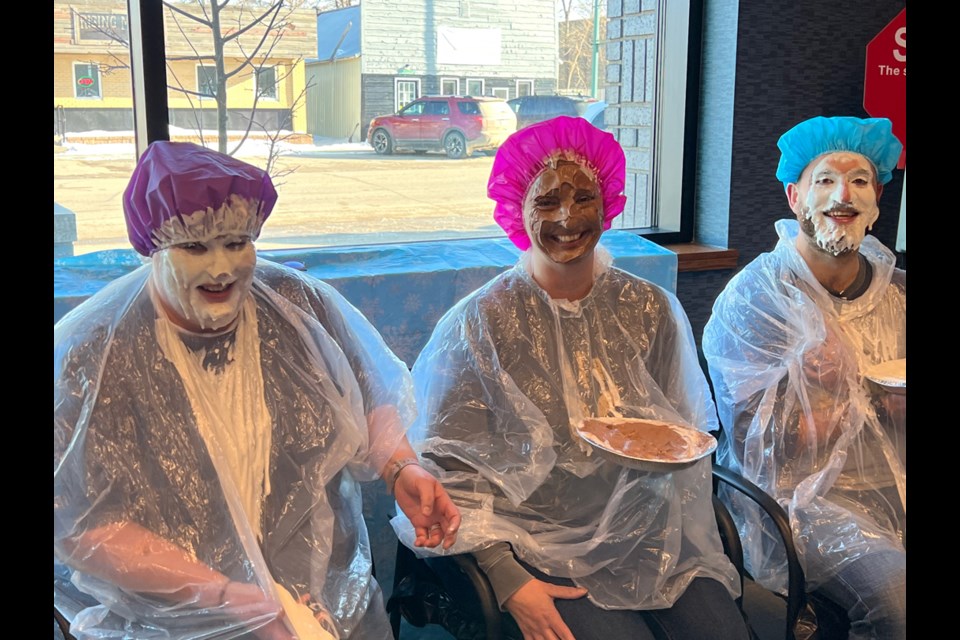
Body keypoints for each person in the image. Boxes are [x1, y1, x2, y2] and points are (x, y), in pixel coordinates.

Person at [53, 141, 461, 640]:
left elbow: (366, 393)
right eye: (195, 247)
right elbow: (80, 523)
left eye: (236, 242)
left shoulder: (296, 306)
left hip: (329, 594)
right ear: (153, 244)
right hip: (177, 618)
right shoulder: (96, 352)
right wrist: (224, 596)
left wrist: (401, 467)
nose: (221, 268)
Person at [391, 116, 748, 640]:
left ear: (610, 203)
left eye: (584, 197)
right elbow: (447, 475)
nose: (567, 216)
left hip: (644, 529)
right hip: (532, 541)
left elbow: (683, 439)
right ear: (517, 208)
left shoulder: (649, 310)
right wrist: (509, 580)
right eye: (546, 201)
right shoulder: (480, 324)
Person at [702, 116, 906, 640]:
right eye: (825, 180)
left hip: (895, 480)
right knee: (898, 600)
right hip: (808, 502)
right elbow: (758, 448)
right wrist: (847, 393)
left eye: (859, 180)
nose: (843, 194)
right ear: (795, 198)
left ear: (877, 198)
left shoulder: (898, 296)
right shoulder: (756, 301)